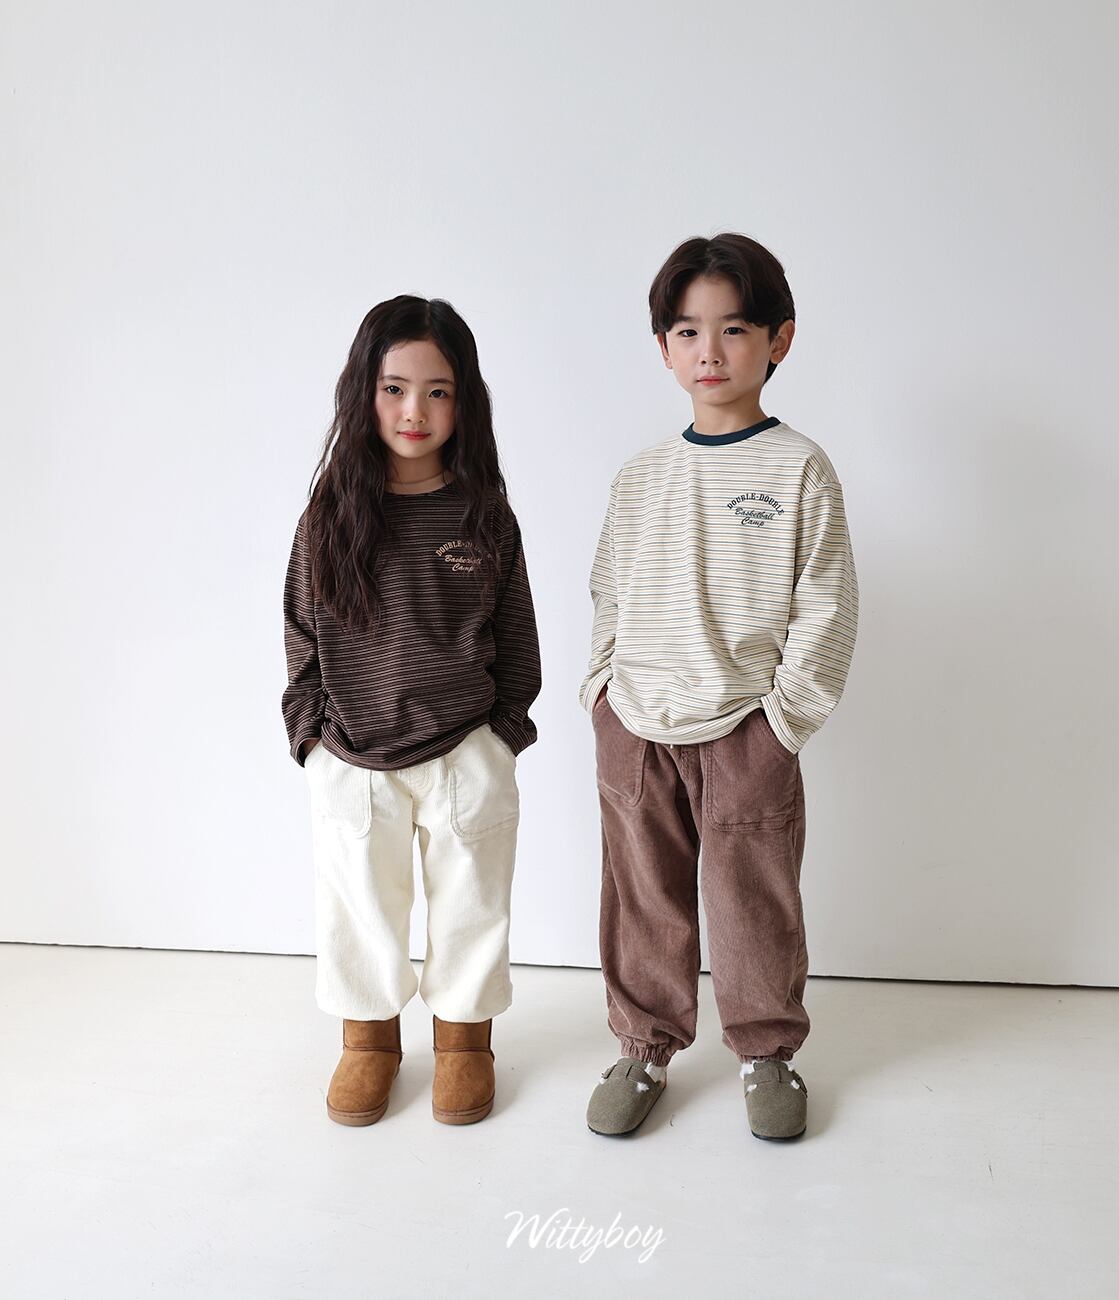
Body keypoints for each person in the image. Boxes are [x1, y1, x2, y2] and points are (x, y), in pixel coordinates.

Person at [580, 234, 859, 1140]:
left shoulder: (798, 468)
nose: (711, 351)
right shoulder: (640, 476)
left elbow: (826, 603)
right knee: (644, 896)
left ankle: (766, 1052)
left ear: (779, 340)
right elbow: (609, 588)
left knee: (753, 900)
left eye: (734, 329)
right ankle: (644, 1047)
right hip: (638, 724)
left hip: (745, 726)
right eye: (689, 331)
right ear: (664, 347)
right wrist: (602, 697)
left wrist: (783, 725)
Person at [281, 295, 541, 1127]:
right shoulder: (328, 519)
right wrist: (313, 741)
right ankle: (369, 1043)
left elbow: (517, 638)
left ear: (465, 401)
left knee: (472, 905)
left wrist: (500, 740)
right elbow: (300, 638)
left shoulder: (485, 516)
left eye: (438, 391)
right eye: (394, 389)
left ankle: (465, 1045)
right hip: (354, 756)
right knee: (359, 909)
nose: (414, 410)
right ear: (364, 393)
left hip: (465, 751)